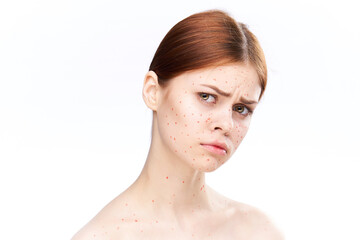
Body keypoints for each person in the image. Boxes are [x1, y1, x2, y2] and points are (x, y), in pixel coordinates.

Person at [72, 9, 283, 240]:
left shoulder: (257, 231)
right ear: (152, 92)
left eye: (241, 109)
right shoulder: (102, 236)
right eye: (206, 96)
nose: (226, 124)